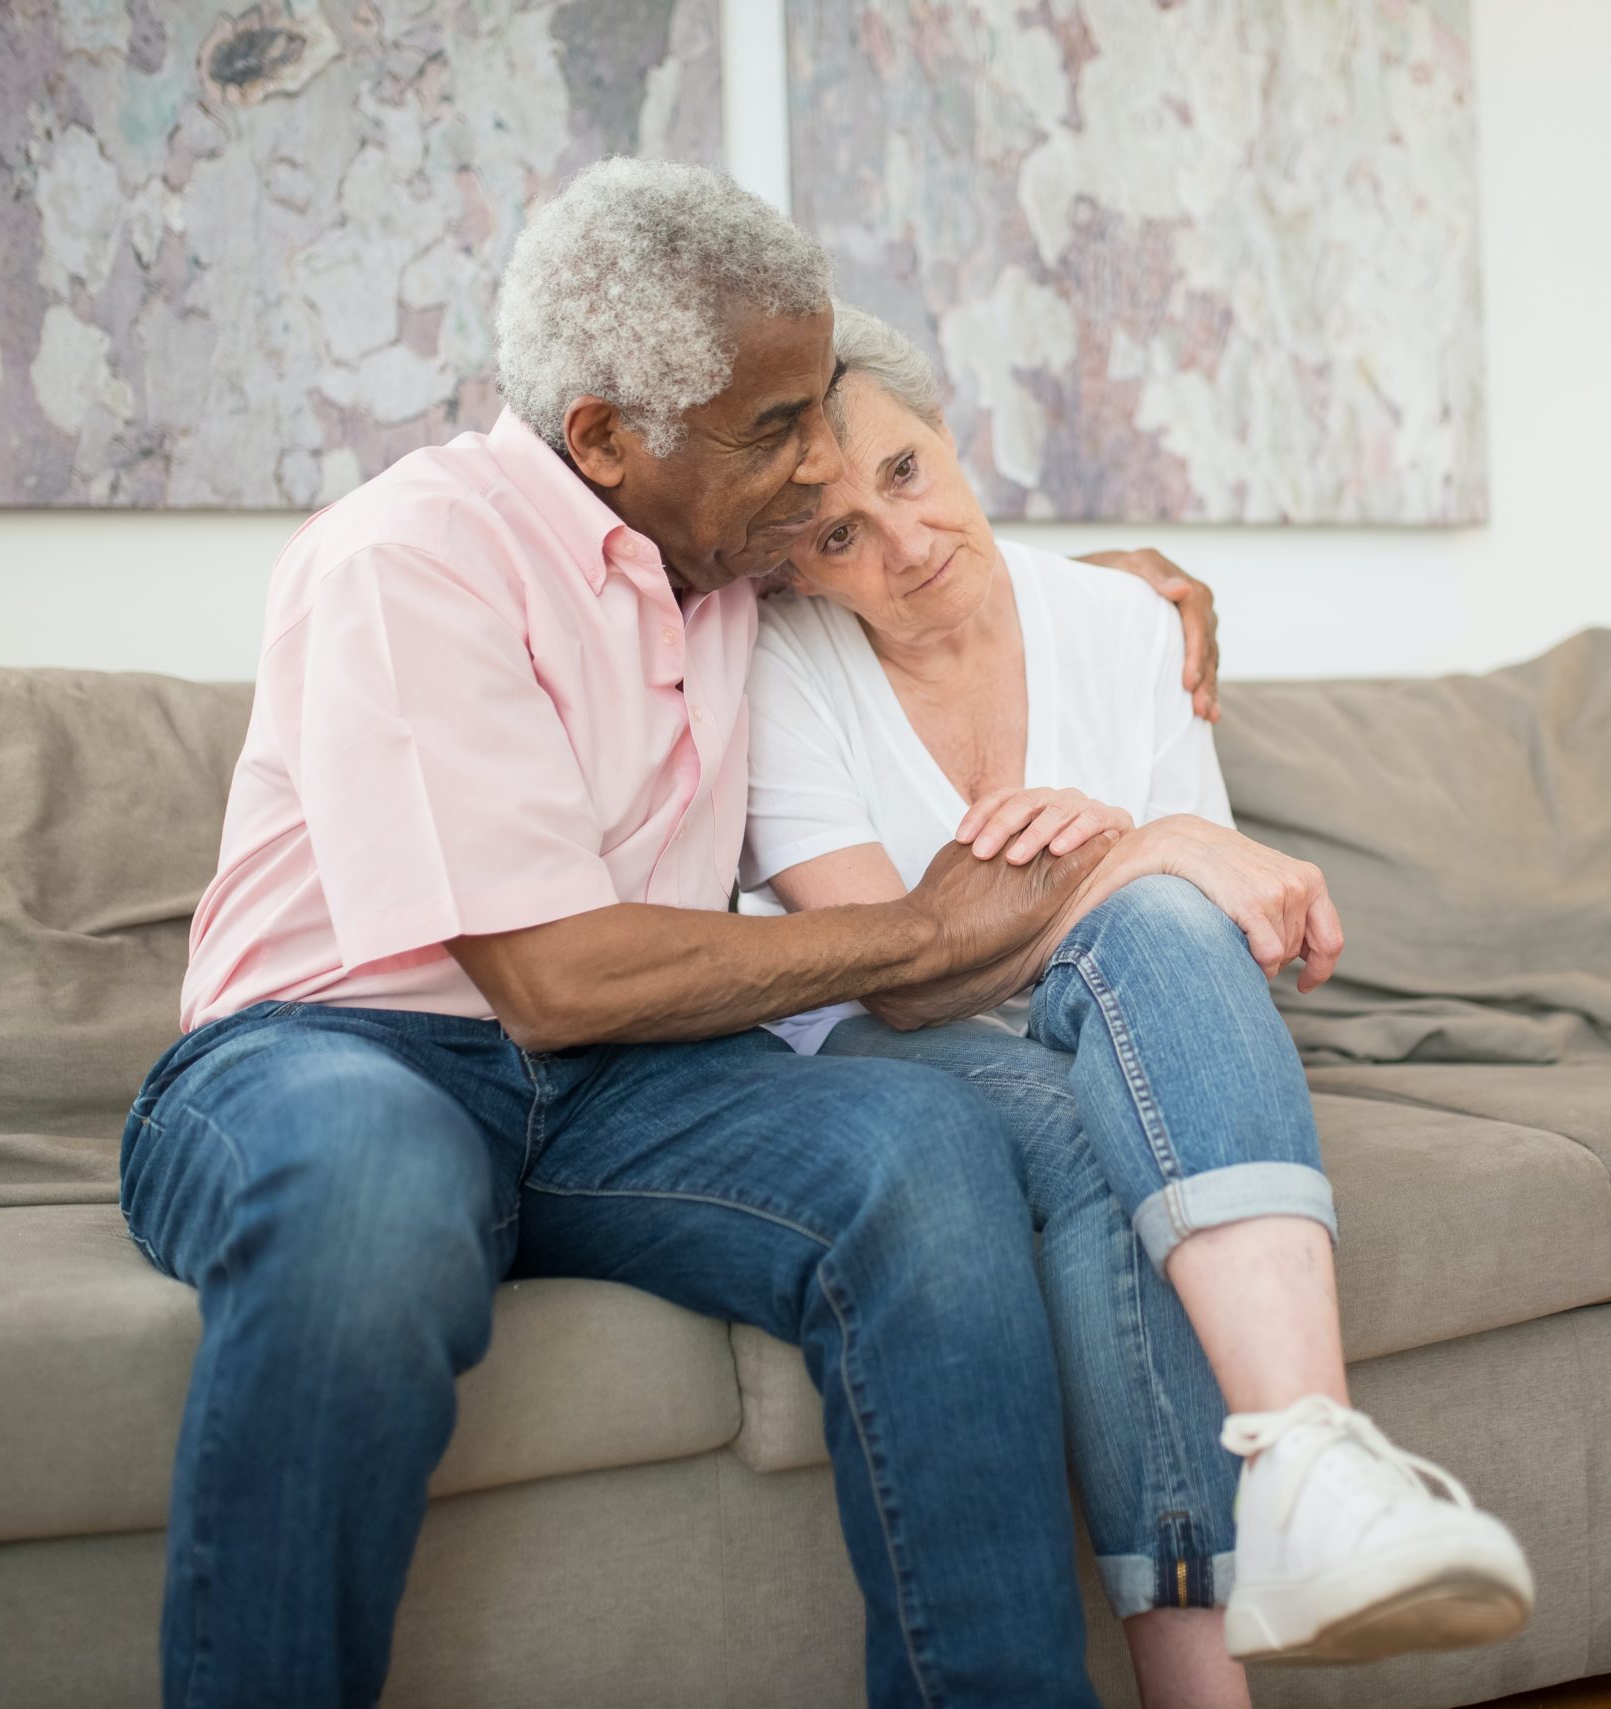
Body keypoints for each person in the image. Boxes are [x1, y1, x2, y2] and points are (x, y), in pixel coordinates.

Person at [125, 160, 1218, 1709]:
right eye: (776, 430)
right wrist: (912, 934)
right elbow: (553, 973)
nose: (810, 467)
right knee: (370, 1193)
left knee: (925, 1151)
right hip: (331, 1049)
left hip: (621, 1083)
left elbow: (923, 565)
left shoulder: (724, 556)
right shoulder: (406, 557)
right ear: (604, 437)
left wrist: (1123, 590)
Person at [738, 306, 1538, 1707]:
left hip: (1083, 1026)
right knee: (1117, 1051)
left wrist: (1141, 865)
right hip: (868, 1051)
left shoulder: (1122, 621)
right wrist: (1138, 851)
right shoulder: (783, 664)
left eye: (907, 474)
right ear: (795, 566)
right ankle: (1279, 1542)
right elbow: (894, 971)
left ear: (948, 432)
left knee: (1146, 977)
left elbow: (1187, 935)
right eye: (836, 535)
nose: (905, 543)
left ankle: (1311, 1463)